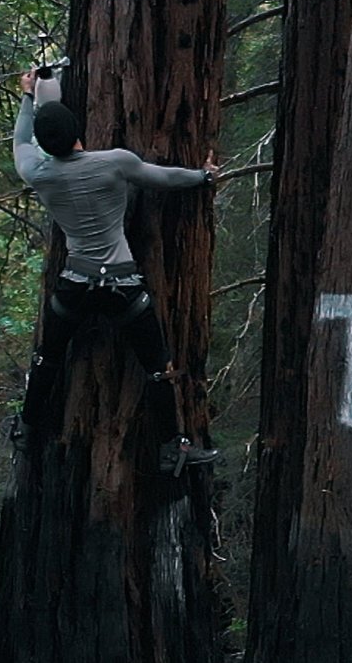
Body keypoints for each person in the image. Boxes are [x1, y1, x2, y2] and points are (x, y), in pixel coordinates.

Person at [13, 70, 219, 476]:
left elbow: (20, 143)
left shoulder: (39, 173)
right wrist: (204, 176)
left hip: (74, 286)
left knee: (47, 359)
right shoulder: (116, 162)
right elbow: (165, 178)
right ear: (77, 131)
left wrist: (27, 96)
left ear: (45, 143)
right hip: (123, 287)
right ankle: (172, 447)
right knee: (157, 368)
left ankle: (27, 429)